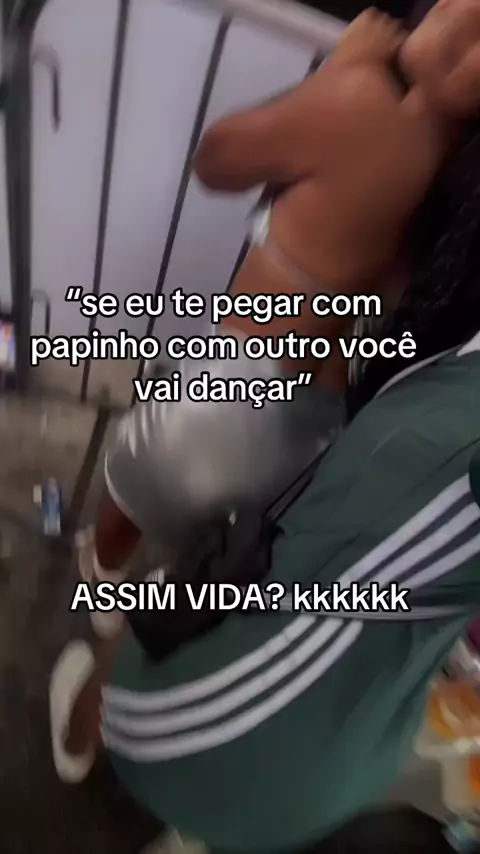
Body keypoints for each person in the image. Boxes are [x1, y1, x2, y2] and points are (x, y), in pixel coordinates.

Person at [49, 0, 480, 851]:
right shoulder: (446, 184)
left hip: (230, 391)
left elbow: (220, 157)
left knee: (134, 480)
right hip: (314, 423)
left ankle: (102, 587)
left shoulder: (362, 103)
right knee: (216, 546)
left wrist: (342, 69)